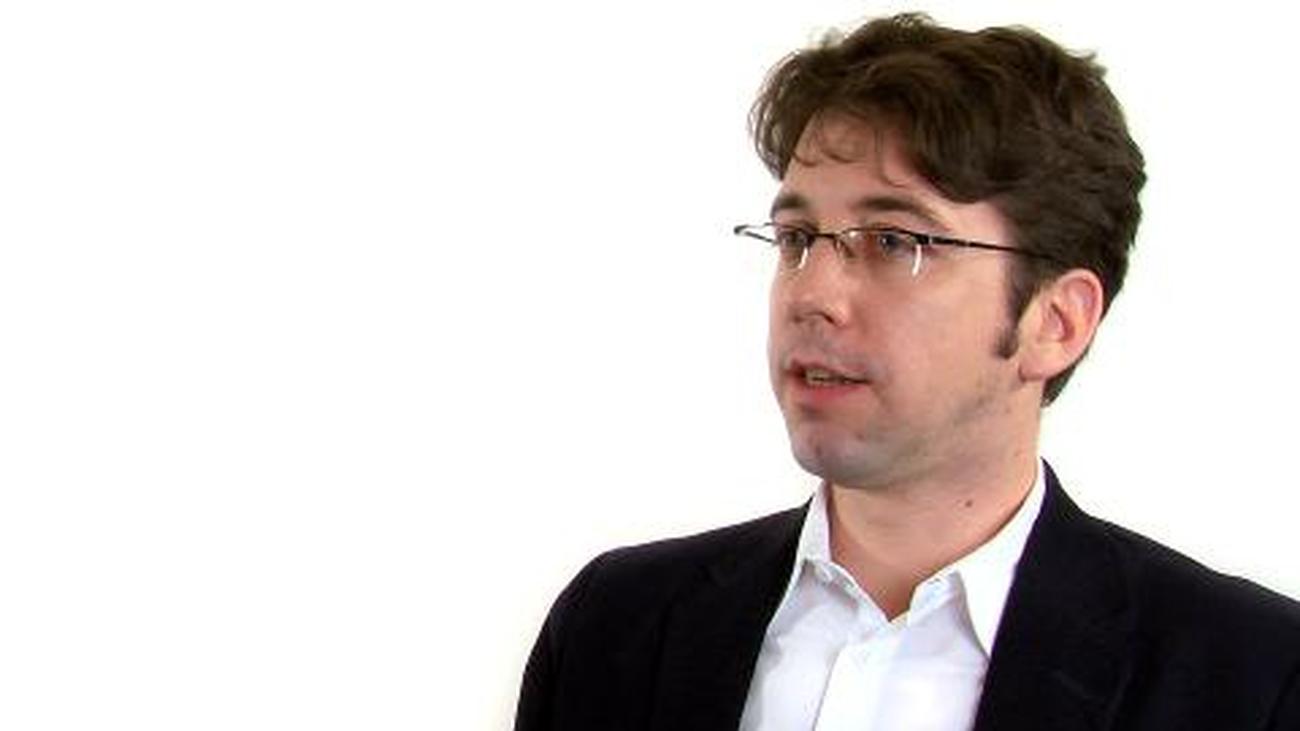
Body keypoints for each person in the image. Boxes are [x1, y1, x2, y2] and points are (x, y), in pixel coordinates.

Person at [513, 13, 1300, 730]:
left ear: (1056, 322)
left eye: (894, 242)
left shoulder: (1251, 676)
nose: (813, 294)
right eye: (797, 238)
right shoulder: (615, 627)